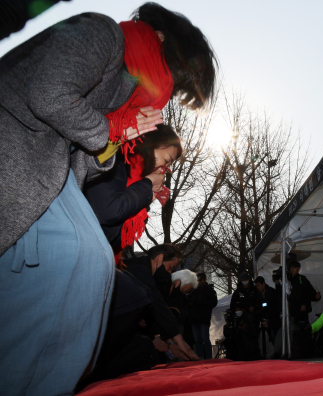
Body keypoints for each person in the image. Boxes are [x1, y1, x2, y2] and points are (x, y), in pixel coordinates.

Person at [0, 3, 216, 393]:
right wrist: (112, 133)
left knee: (82, 266)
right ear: (164, 39)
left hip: (44, 174)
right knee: (82, 259)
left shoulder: (130, 92)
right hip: (15, 147)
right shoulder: (102, 33)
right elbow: (49, 95)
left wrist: (116, 134)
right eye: (179, 78)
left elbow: (87, 162)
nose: (172, 89)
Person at [84, 125, 183, 256]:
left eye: (168, 166)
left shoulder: (139, 184)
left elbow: (116, 241)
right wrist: (146, 185)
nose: (164, 169)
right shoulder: (117, 160)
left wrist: (146, 201)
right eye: (166, 160)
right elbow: (109, 211)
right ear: (153, 143)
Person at [123, 244, 199, 361]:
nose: (169, 272)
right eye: (171, 267)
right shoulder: (140, 270)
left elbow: (153, 313)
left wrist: (170, 341)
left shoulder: (147, 272)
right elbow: (158, 306)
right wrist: (179, 340)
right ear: (159, 258)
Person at [188, 272, 218, 360]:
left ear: (204, 280)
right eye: (198, 281)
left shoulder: (209, 291)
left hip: (203, 318)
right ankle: (200, 357)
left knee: (204, 339)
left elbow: (213, 303)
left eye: (201, 280)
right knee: (197, 340)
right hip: (195, 318)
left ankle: (208, 357)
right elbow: (189, 303)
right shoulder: (193, 291)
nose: (199, 282)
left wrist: (202, 302)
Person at [288, 259, 321, 326]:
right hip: (290, 309)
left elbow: (309, 292)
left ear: (298, 269)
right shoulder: (287, 280)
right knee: (291, 328)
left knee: (302, 328)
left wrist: (316, 296)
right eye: (291, 267)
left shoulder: (302, 279)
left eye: (294, 267)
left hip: (301, 309)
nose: (292, 269)